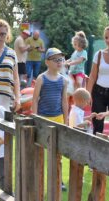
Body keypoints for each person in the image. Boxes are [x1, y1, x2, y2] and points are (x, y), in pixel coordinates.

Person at [32, 48, 68, 191]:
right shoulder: (41, 78)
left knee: (57, 153)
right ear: (47, 62)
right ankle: (37, 178)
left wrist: (66, 121)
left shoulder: (63, 80)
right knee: (40, 150)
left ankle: (58, 180)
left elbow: (64, 101)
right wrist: (35, 118)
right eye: (55, 59)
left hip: (58, 118)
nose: (59, 62)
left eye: (61, 59)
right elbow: (35, 100)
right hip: (43, 118)